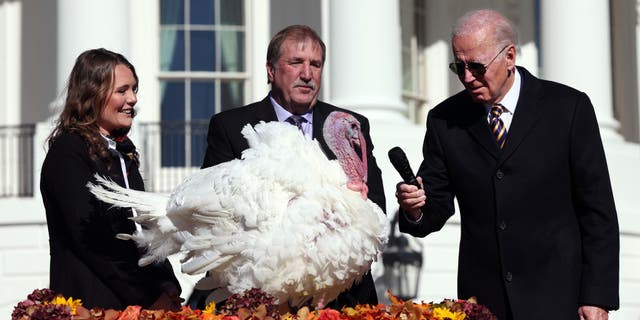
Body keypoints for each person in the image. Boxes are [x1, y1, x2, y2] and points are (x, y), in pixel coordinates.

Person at [395, 9, 619, 320]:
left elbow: (598, 212)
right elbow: (434, 205)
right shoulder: (445, 120)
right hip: (484, 303)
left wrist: (597, 296)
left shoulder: (568, 109)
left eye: (476, 66)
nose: (467, 77)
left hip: (558, 299)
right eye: (459, 67)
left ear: (510, 56)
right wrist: (414, 206)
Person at [188, 24, 386, 309]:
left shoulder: (346, 126)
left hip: (340, 301)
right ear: (271, 71)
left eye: (315, 65)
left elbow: (376, 204)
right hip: (257, 299)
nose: (307, 74)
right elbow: (211, 214)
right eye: (295, 63)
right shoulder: (231, 127)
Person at [41, 48, 182, 310]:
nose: (133, 99)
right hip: (93, 305)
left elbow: (144, 229)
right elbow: (94, 241)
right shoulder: (69, 152)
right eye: (122, 90)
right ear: (92, 94)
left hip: (140, 301)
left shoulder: (123, 151)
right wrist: (148, 297)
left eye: (134, 89)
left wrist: (167, 283)